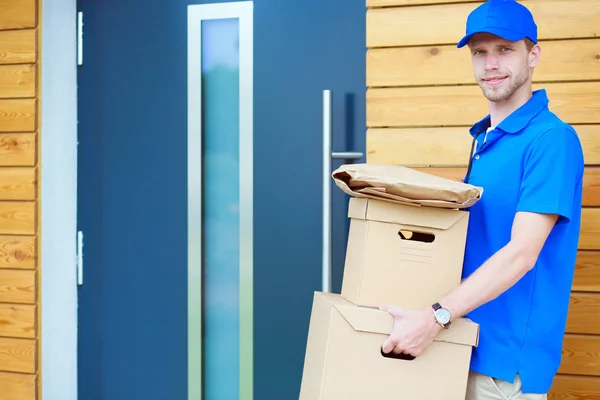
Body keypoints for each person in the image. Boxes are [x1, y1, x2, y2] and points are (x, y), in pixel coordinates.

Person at [379, 0, 584, 399]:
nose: (491, 64)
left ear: (533, 54)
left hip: (502, 368)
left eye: (505, 49)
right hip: (461, 346)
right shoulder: (484, 139)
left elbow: (521, 254)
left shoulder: (551, 140)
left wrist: (434, 318)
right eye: (480, 53)